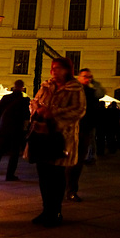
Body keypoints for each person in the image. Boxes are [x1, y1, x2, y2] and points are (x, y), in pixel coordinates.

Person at [30, 57, 86, 227]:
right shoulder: (46, 86)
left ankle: (55, 211)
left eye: (58, 68)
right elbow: (33, 102)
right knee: (43, 175)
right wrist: (37, 110)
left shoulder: (75, 88)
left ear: (67, 70)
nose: (54, 71)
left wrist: (53, 113)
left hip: (61, 138)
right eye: (52, 68)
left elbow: (79, 110)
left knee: (56, 175)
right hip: (42, 135)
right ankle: (46, 210)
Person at [65, 68, 102, 201]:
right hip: (71, 129)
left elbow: (101, 94)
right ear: (79, 77)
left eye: (89, 77)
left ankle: (71, 189)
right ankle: (68, 189)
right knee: (69, 161)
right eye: (85, 76)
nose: (87, 79)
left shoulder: (91, 92)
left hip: (85, 129)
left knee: (78, 161)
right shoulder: (73, 90)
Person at [0, 80, 30, 182]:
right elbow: (26, 116)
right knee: (14, 153)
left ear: (14, 87)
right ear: (22, 88)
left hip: (3, 128)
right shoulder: (24, 101)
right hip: (16, 129)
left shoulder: (6, 98)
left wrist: (1, 121)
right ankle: (10, 175)